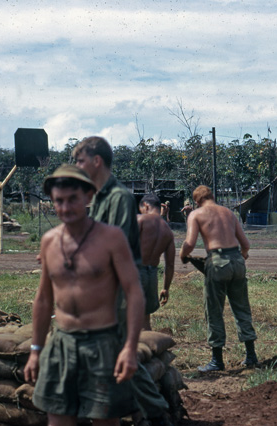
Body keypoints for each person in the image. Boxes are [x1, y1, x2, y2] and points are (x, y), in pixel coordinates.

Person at [24, 164, 144, 426]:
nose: (65, 208)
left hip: (102, 343)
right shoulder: (49, 241)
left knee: (104, 420)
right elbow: (44, 299)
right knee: (57, 418)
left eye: (72, 200)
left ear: (88, 197)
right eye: (59, 201)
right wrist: (36, 350)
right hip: (62, 343)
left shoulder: (111, 238)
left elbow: (134, 292)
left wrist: (130, 348)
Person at [73, 136, 172, 425]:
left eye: (80, 161)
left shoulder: (118, 198)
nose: (77, 167)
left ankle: (153, 413)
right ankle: (148, 412)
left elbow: (110, 246)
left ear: (96, 161)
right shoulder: (102, 197)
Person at [179, 185, 259, 372]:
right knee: (241, 308)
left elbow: (189, 244)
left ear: (197, 201)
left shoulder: (197, 214)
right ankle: (251, 356)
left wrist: (183, 255)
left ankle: (216, 361)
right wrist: (240, 257)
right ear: (212, 196)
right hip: (238, 262)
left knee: (214, 310)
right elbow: (245, 245)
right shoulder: (229, 213)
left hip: (217, 263)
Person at [137, 193, 175, 330]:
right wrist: (166, 288)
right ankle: (147, 348)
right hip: (151, 275)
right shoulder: (167, 231)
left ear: (146, 206)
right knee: (145, 319)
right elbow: (170, 265)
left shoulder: (140, 220)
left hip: (135, 272)